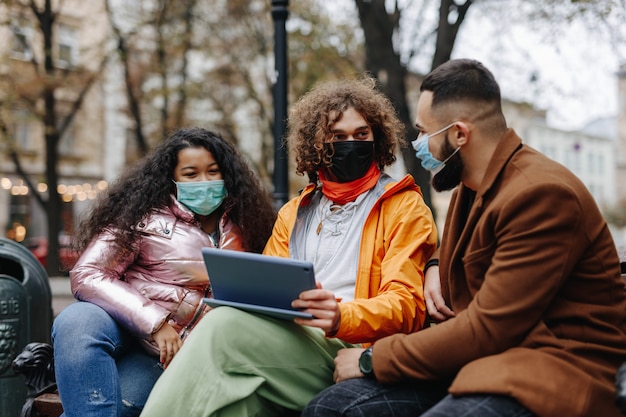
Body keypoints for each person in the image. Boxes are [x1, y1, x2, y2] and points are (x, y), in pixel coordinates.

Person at [302, 58, 626, 417]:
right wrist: (436, 263)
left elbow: (489, 327)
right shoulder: (468, 189)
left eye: (425, 132)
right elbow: (480, 252)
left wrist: (371, 359)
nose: (419, 143)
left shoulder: (542, 194)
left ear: (459, 134)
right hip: (484, 362)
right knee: (329, 409)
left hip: (554, 370)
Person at [139, 77, 438, 416]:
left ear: (377, 140)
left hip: (351, 349)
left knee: (222, 328)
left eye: (361, 135)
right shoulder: (294, 212)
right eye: (337, 137)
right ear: (318, 144)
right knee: (237, 400)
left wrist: (341, 315)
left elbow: (407, 305)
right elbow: (267, 289)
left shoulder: (404, 207)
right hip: (290, 340)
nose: (350, 144)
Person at [51, 127, 276, 417]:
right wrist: (155, 323)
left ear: (227, 175)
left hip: (180, 355)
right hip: (128, 330)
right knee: (76, 321)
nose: (204, 182)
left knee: (113, 407)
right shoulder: (141, 217)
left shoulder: (250, 225)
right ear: (172, 179)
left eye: (213, 171)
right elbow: (88, 274)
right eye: (191, 174)